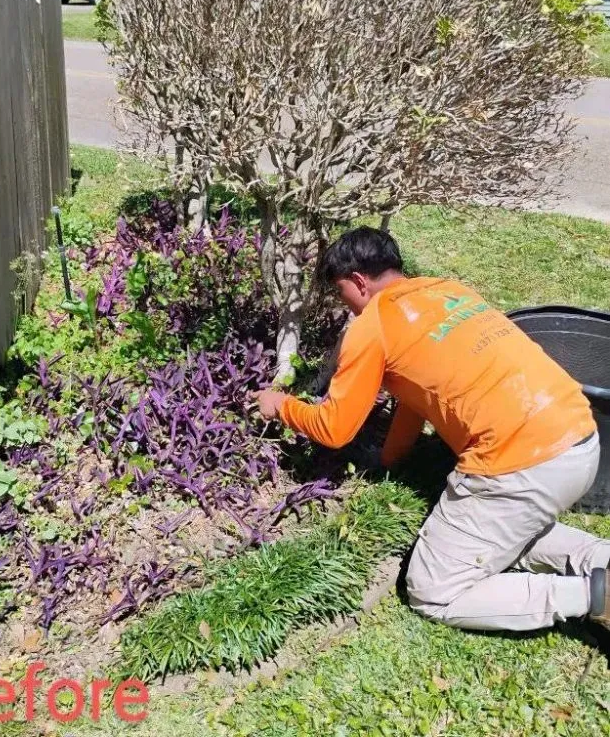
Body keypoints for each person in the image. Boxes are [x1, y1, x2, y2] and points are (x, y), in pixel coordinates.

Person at [256, 226, 610, 633]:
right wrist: (389, 458)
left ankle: (592, 597)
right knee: (503, 531)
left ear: (358, 281)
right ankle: (602, 559)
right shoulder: (447, 290)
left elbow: (334, 428)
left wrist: (281, 405)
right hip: (580, 439)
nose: (346, 306)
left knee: (433, 590)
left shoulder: (373, 324)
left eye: (342, 293)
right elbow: (417, 396)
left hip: (521, 466)